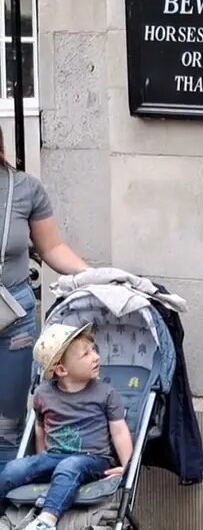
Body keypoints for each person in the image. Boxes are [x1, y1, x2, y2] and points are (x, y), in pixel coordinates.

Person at [0, 129, 89, 461]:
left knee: (6, 427)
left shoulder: (23, 188)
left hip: (12, 320)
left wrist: (93, 278)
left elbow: (52, 247)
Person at [0, 322, 131, 530]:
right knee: (13, 469)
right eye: (86, 354)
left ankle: (47, 520)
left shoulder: (105, 393)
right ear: (61, 369)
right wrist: (41, 456)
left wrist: (126, 466)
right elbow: (40, 428)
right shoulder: (43, 394)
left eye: (94, 350)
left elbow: (119, 430)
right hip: (54, 457)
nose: (96, 357)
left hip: (93, 459)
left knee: (69, 466)